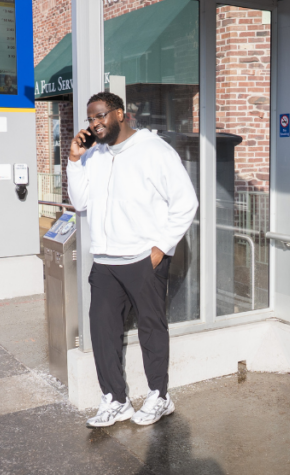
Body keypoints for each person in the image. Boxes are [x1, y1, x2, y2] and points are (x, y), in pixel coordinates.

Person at [67, 91, 198, 428]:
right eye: (91, 119)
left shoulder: (154, 150)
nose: (95, 124)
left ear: (120, 114)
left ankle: (159, 396)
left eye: (101, 116)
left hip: (143, 258)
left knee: (152, 329)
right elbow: (80, 201)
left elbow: (185, 202)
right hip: (106, 261)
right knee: (102, 331)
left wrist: (160, 249)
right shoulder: (93, 156)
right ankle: (116, 399)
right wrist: (73, 159)